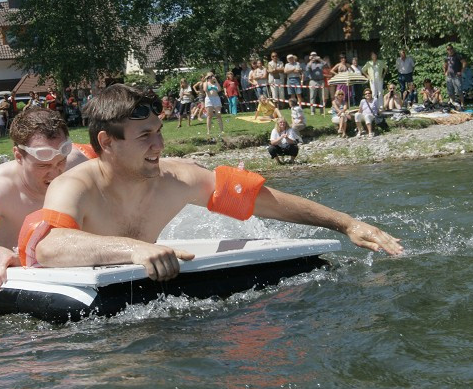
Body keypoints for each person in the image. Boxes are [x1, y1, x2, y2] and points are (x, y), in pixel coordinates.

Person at [30, 84, 402, 281]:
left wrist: (345, 222)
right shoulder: (74, 186)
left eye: (159, 132)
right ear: (107, 143)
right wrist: (134, 249)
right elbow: (49, 249)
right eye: (145, 137)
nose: (159, 146)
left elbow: (264, 200)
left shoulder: (178, 178)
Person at [0, 106, 90, 292]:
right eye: (43, 166)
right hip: (21, 278)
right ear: (19, 156)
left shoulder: (79, 161)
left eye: (61, 162)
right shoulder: (0, 186)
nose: (55, 173)